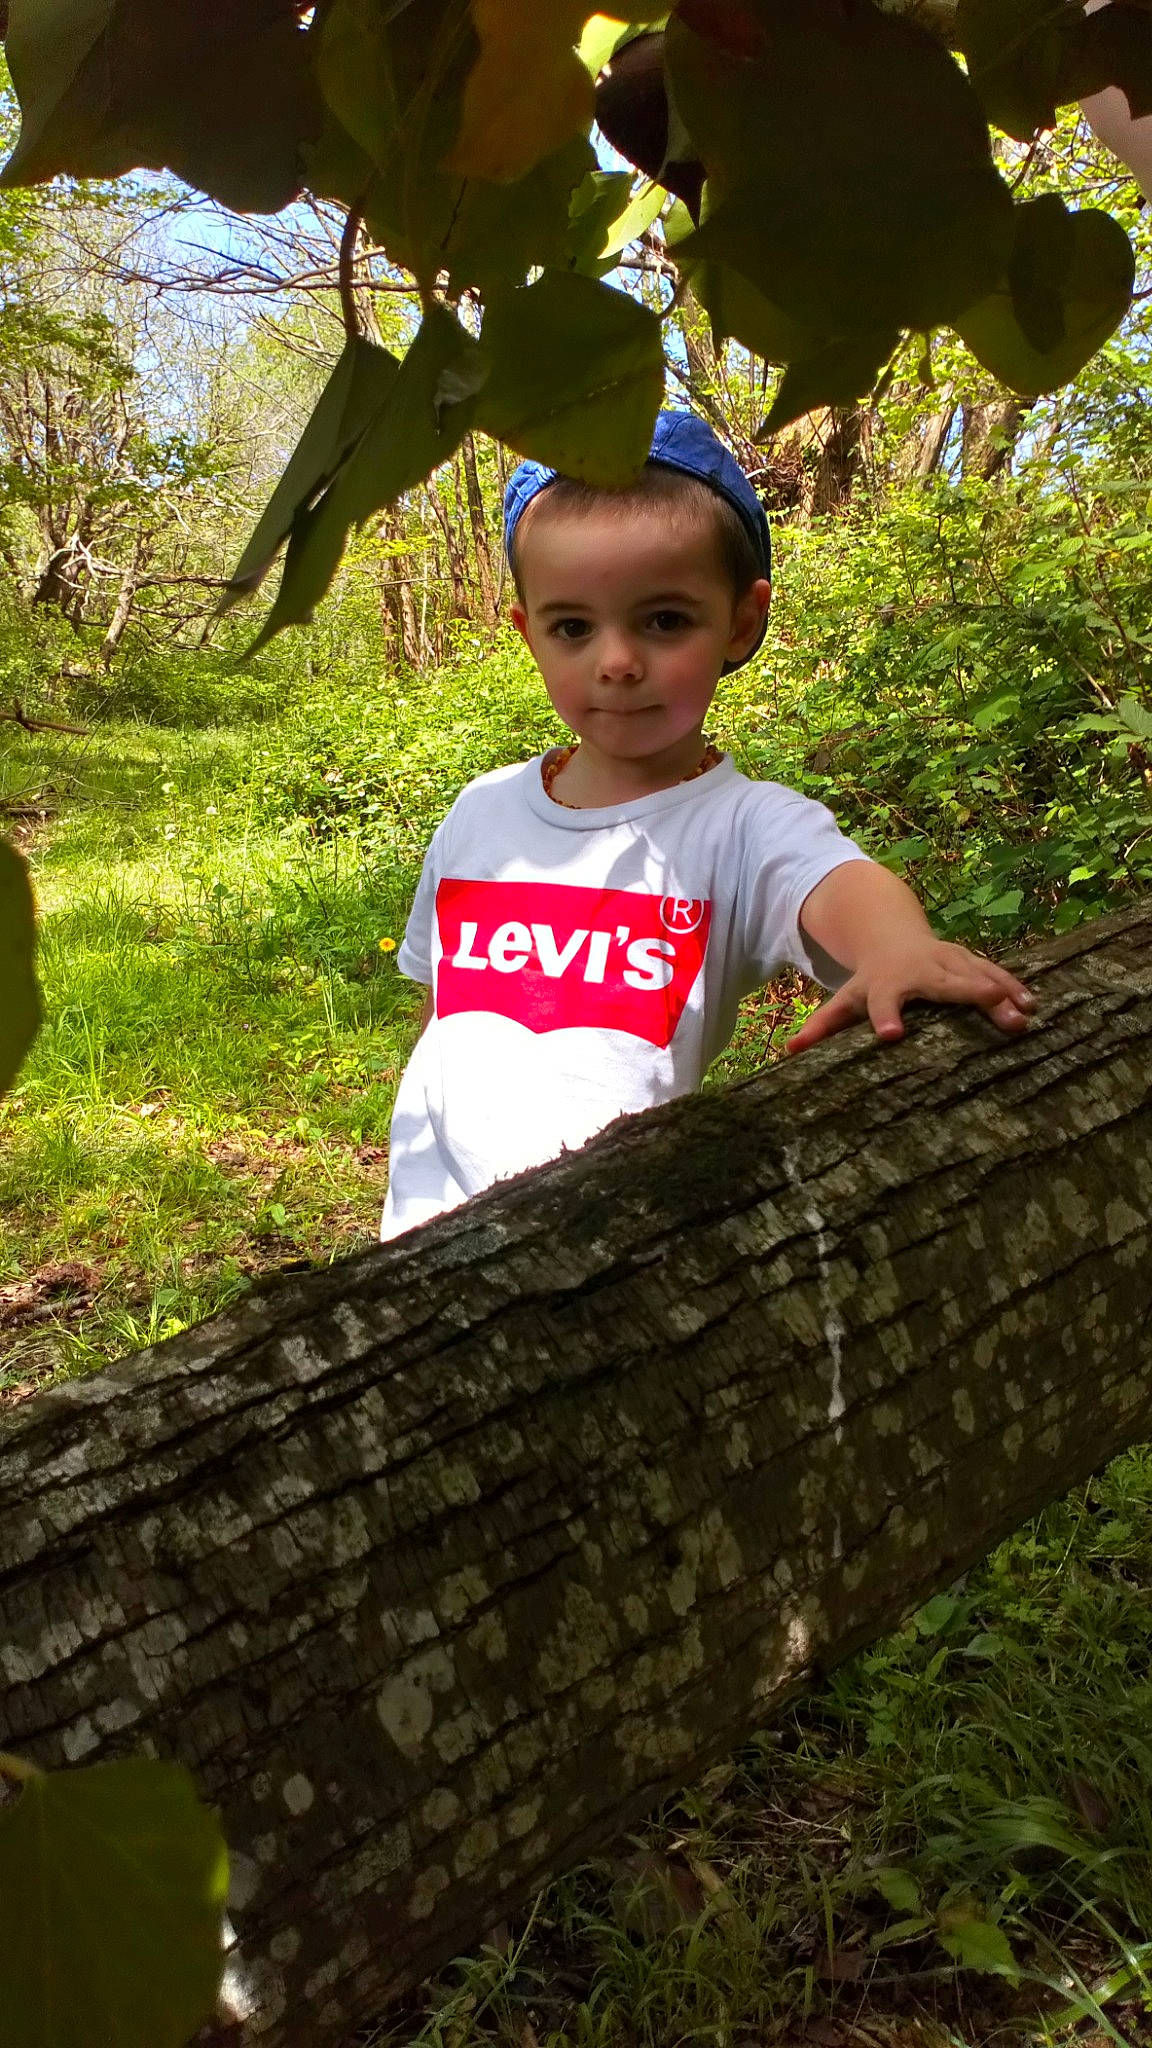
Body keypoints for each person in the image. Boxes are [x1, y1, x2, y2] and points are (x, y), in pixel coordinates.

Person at [379, 410, 1034, 1240]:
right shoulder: (481, 812)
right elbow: (447, 1009)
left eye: (663, 620)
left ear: (740, 623)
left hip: (617, 1232)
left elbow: (838, 882)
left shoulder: (743, 826)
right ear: (528, 634)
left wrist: (897, 947)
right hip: (423, 1224)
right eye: (573, 627)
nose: (616, 661)